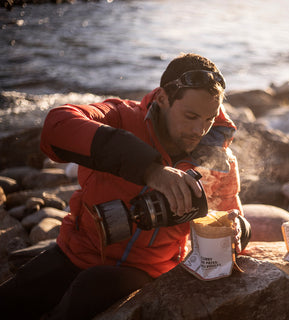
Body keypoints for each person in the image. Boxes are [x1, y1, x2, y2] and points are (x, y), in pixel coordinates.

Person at [0, 53, 251, 319]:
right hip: (75, 254)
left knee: (89, 289)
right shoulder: (120, 118)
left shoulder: (218, 160)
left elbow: (233, 220)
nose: (200, 130)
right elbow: (56, 126)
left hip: (147, 272)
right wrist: (150, 170)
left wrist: (238, 231)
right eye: (190, 116)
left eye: (209, 119)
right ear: (163, 99)